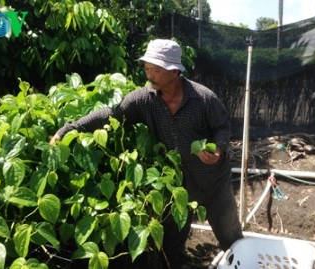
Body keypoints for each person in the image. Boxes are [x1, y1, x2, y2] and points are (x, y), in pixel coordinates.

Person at [50, 39, 243, 268]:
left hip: (213, 182)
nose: (149, 75)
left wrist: (218, 148)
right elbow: (111, 114)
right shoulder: (144, 99)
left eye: (156, 70)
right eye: (147, 68)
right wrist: (68, 129)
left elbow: (222, 126)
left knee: (231, 238)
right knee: (171, 246)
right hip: (177, 187)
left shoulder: (203, 98)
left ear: (173, 72)